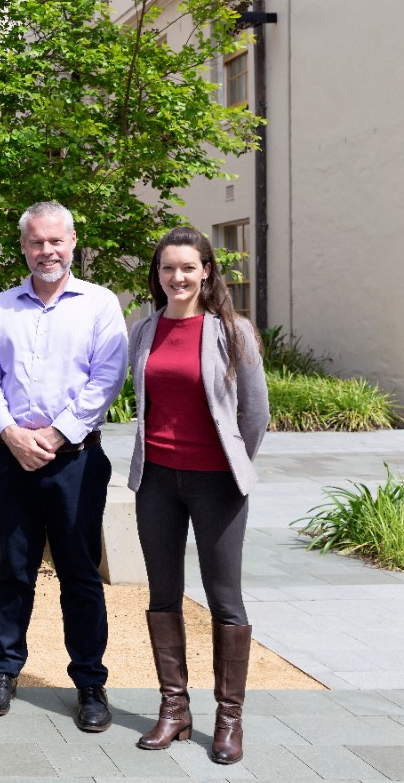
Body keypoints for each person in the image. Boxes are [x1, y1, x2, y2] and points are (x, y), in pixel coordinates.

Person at [0, 201, 128, 732]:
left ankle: (89, 683)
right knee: (12, 571)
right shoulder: (0, 307)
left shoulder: (101, 306)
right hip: (12, 460)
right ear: (23, 247)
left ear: (73, 242)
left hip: (75, 461)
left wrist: (57, 434)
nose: (47, 251)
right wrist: (12, 435)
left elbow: (107, 378)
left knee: (79, 573)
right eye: (37, 242)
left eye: (56, 241)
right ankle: (4, 672)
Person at [128, 226, 269, 764]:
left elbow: (255, 414)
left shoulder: (232, 331)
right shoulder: (143, 330)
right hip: (157, 481)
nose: (178, 277)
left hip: (217, 484)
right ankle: (175, 710)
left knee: (224, 599)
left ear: (207, 270)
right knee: (163, 594)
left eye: (188, 267)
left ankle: (228, 719)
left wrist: (231, 461)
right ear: (157, 274)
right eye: (168, 268)